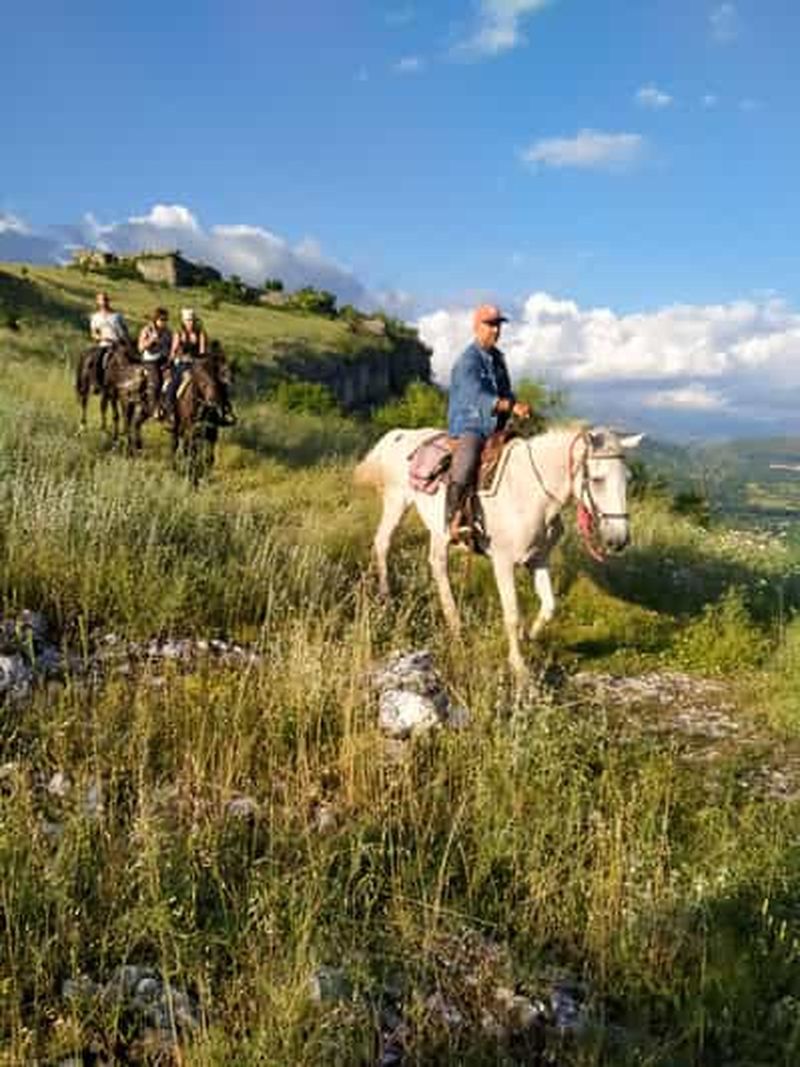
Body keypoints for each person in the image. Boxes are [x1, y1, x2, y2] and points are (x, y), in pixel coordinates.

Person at [446, 303, 531, 543]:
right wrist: (509, 406)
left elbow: (506, 392)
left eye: (498, 325)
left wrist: (518, 405)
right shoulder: (467, 361)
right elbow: (476, 397)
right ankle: (454, 520)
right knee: (467, 460)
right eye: (490, 325)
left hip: (496, 426)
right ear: (476, 327)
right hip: (470, 424)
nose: (495, 330)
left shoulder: (498, 359)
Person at [162, 308, 208, 423]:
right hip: (181, 364)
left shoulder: (200, 334)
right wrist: (170, 363)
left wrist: (198, 359)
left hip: (197, 364)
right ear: (183, 321)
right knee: (172, 385)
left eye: (192, 320)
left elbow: (203, 351)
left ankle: (219, 410)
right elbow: (173, 351)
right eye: (188, 320)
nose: (190, 323)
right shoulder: (179, 334)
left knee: (213, 382)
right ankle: (170, 411)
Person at [137, 307, 172, 417]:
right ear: (156, 319)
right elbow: (140, 348)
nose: (164, 322)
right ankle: (153, 408)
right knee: (156, 381)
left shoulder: (168, 332)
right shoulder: (147, 330)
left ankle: (168, 405)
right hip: (150, 360)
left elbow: (171, 346)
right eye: (162, 319)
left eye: (166, 320)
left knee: (172, 380)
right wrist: (151, 340)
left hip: (164, 359)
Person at [89, 291, 130, 384]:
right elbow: (93, 333)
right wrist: (102, 338)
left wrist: (126, 341)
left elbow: (125, 330)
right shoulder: (95, 317)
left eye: (106, 299)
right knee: (97, 359)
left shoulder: (117, 315)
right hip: (105, 344)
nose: (104, 302)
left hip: (118, 343)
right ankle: (96, 382)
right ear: (98, 302)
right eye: (102, 300)